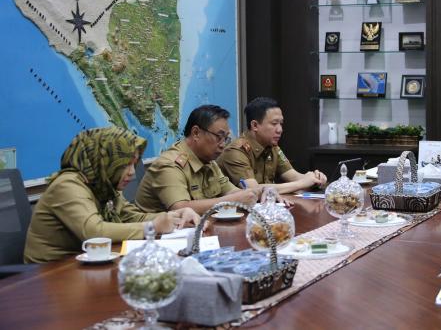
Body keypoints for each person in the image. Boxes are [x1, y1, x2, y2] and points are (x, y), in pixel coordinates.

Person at [24, 127, 200, 264]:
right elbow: (94, 231)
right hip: (48, 274)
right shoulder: (68, 185)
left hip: (88, 262)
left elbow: (131, 216)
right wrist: (152, 227)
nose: (131, 173)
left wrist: (175, 217)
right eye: (126, 165)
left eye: (134, 164)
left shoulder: (104, 186)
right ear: (105, 160)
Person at [135, 105, 260, 214]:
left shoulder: (208, 161)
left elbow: (231, 192)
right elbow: (181, 208)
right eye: (219, 136)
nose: (223, 144)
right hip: (155, 237)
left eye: (226, 138)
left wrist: (254, 193)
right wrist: (232, 201)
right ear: (196, 133)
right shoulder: (169, 164)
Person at [217, 97, 327, 194]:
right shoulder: (236, 151)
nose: (280, 130)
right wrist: (302, 184)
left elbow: (293, 176)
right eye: (274, 124)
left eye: (281, 123)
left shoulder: (272, 146)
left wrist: (315, 179)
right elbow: (253, 190)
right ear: (255, 125)